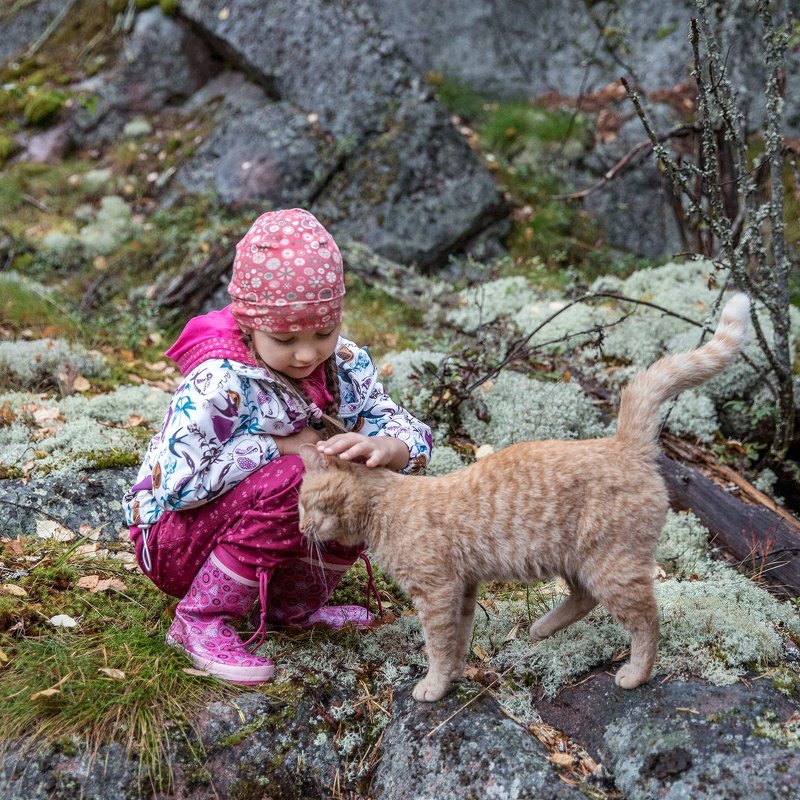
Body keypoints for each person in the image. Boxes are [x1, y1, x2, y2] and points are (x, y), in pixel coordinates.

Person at [123, 208, 432, 685]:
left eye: (323, 333)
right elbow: (177, 488)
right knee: (300, 476)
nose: (307, 353)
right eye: (285, 338)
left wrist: (388, 447)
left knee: (357, 476)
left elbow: (405, 426)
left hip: (243, 524)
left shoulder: (344, 364)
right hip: (172, 539)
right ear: (250, 324)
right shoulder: (220, 382)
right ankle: (201, 619)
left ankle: (290, 607)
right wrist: (278, 446)